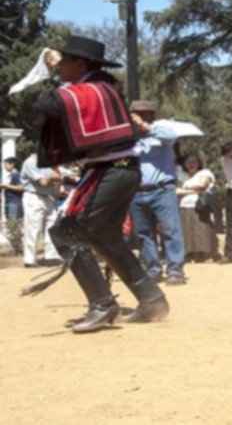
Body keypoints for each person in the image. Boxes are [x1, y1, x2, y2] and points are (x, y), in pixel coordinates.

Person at [21, 35, 169, 331]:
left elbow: (46, 105)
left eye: (64, 61)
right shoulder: (101, 87)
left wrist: (53, 73)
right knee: (105, 236)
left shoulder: (90, 89)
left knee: (65, 232)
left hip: (112, 171)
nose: (59, 66)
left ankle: (102, 304)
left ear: (80, 62)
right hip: (118, 170)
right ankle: (151, 299)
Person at [128, 100, 187, 285]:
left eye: (142, 114)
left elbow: (172, 137)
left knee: (171, 230)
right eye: (135, 114)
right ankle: (153, 269)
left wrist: (145, 127)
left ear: (151, 115)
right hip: (136, 192)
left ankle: (175, 270)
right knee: (143, 234)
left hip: (162, 189)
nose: (137, 118)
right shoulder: (129, 136)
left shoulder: (161, 129)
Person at [19, 152, 60, 267]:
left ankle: (51, 256)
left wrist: (51, 177)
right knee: (33, 228)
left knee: (52, 226)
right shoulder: (30, 162)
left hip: (47, 197)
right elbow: (43, 182)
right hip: (33, 196)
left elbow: (57, 176)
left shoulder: (44, 163)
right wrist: (51, 177)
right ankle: (29, 259)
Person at [177, 154, 220, 263]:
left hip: (200, 206)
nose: (191, 165)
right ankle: (190, 254)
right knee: (188, 231)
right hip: (184, 206)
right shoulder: (182, 176)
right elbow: (176, 191)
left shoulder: (205, 173)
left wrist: (185, 188)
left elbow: (203, 185)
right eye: (188, 162)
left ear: (198, 163)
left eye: (194, 162)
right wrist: (193, 190)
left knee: (203, 230)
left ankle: (207, 254)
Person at [2, 156, 22, 221]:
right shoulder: (10, 175)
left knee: (14, 224)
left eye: (6, 165)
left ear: (12, 164)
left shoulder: (17, 175)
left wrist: (6, 185)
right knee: (9, 223)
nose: (4, 167)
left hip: (15, 202)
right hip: (8, 201)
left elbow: (21, 188)